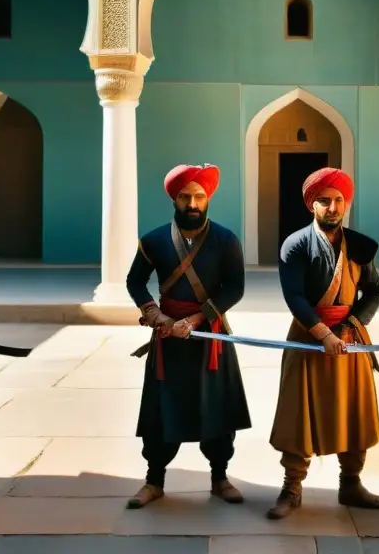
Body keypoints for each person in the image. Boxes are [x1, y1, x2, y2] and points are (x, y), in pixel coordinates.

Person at [125, 163, 252, 509]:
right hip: (168, 337)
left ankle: (220, 477)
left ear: (207, 198)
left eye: (199, 196)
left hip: (210, 335)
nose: (192, 203)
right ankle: (154, 480)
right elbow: (134, 281)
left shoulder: (226, 240)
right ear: (175, 199)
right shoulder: (152, 240)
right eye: (185, 197)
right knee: (162, 408)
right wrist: (154, 314)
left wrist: (196, 320)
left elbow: (235, 288)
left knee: (216, 406)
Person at [266, 167, 379, 520]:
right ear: (311, 205)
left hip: (350, 339)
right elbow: (295, 297)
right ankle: (292, 487)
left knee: (354, 410)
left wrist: (351, 325)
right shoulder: (296, 244)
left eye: (338, 200)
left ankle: (351, 483)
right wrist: (323, 334)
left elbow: (374, 292)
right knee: (297, 414)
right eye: (324, 201)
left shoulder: (361, 246)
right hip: (308, 337)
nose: (332, 207)